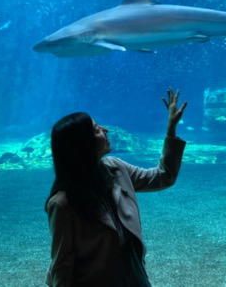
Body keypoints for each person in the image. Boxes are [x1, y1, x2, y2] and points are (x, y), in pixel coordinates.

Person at [45, 89, 188, 287]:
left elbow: (163, 177)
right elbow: (62, 265)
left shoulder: (116, 168)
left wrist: (171, 130)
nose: (105, 130)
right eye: (96, 129)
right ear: (83, 145)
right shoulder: (63, 204)